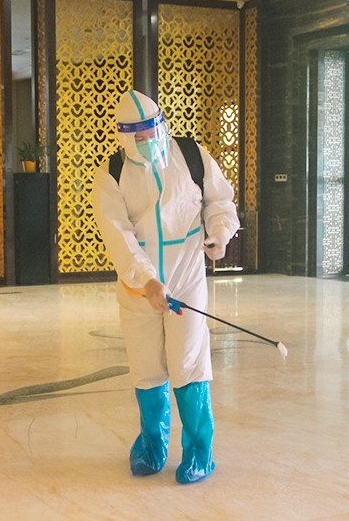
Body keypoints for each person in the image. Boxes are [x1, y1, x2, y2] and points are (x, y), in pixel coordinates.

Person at [91, 90, 240, 484]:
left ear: (163, 125)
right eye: (137, 137)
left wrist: (220, 233)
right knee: (146, 366)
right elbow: (118, 235)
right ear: (124, 138)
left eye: (152, 132)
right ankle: (151, 447)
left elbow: (219, 200)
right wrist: (147, 280)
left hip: (186, 278)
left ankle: (199, 454)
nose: (147, 142)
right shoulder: (111, 174)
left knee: (188, 361)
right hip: (138, 285)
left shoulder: (190, 155)